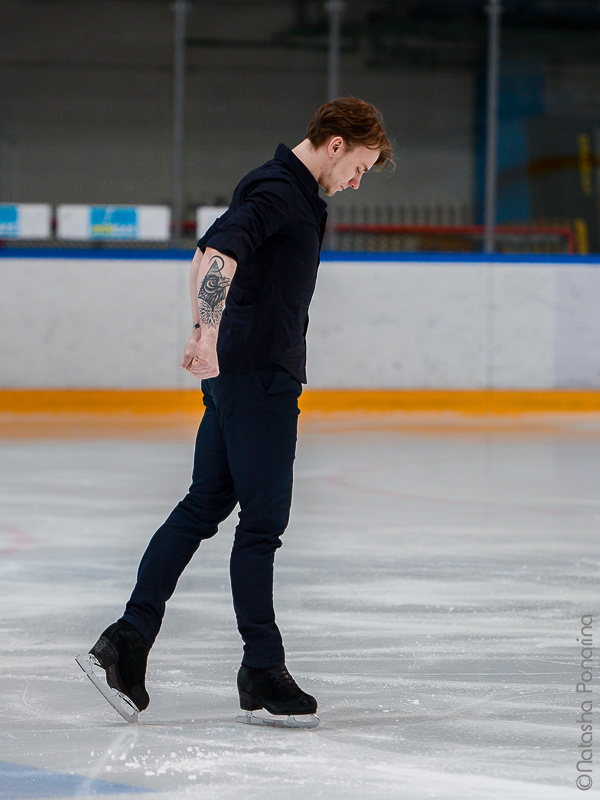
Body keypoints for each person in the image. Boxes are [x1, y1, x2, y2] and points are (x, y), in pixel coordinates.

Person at [83, 97, 392, 725]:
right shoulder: (282, 191)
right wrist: (203, 332)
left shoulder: (280, 190)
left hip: (239, 374)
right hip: (259, 380)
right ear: (335, 143)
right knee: (261, 526)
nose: (358, 180)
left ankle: (128, 640)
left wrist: (207, 332)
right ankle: (261, 667)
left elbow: (201, 255)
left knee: (203, 505)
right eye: (359, 165)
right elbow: (218, 257)